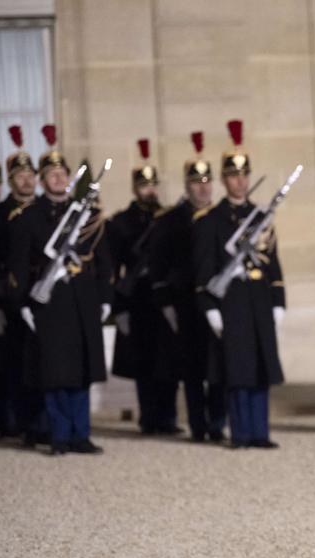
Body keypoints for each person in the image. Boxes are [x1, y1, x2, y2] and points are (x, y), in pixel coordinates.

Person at [8, 124, 113, 454]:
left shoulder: (87, 215)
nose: (57, 178)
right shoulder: (28, 218)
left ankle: (80, 434)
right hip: (48, 302)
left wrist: (106, 298)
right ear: (41, 180)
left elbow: (105, 263)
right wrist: (22, 302)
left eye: (61, 173)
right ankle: (59, 435)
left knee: (80, 371)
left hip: (81, 300)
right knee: (53, 374)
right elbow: (19, 265)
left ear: (69, 177)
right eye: (50, 174)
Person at [192, 119, 286, 448]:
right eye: (233, 175)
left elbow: (273, 262)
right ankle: (241, 433)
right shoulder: (211, 221)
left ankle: (260, 432)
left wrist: (278, 301)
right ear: (224, 179)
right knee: (237, 372)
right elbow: (203, 272)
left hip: (259, 299)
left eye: (244, 174)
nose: (240, 181)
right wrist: (210, 309)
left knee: (260, 368)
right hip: (230, 303)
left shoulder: (260, 217)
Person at [148, 131, 226, 442]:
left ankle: (218, 423)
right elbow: (159, 267)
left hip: (217, 301)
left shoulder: (222, 217)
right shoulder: (169, 221)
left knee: (219, 368)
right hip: (185, 304)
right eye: (196, 182)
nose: (203, 187)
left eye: (207, 182)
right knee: (192, 369)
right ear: (187, 185)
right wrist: (167, 305)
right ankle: (198, 424)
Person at [107, 139, 180, 435]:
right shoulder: (121, 223)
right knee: (145, 364)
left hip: (163, 298)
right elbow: (114, 271)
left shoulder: (169, 219)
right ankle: (149, 418)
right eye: (143, 186)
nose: (149, 191)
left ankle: (169, 418)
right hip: (137, 302)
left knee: (170, 362)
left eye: (153, 185)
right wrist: (119, 308)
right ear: (135, 188)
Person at [0, 125, 41, 441]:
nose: (27, 180)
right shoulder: (1, 215)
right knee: (13, 363)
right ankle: (16, 420)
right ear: (10, 180)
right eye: (20, 176)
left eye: (31, 174)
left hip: (42, 297)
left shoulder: (46, 210)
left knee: (44, 362)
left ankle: (41, 422)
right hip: (9, 299)